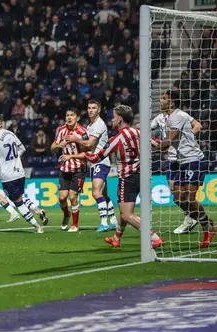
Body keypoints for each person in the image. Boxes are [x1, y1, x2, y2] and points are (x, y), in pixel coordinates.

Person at [62, 105, 163, 249]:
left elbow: (97, 157)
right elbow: (158, 145)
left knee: (127, 214)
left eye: (114, 117)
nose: (112, 119)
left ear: (120, 120)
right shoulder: (138, 132)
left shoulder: (117, 138)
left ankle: (153, 238)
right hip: (143, 175)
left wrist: (82, 154)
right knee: (123, 212)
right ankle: (116, 238)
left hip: (127, 177)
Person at [158, 91, 216, 248]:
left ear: (172, 102)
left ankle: (207, 228)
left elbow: (169, 140)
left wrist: (152, 145)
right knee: (178, 199)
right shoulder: (166, 118)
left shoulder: (178, 116)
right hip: (179, 162)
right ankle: (205, 221)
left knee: (189, 199)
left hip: (193, 160)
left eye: (163, 98)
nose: (160, 100)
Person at [0, 114, 44, 233]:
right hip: (20, 173)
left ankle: (37, 227)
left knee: (18, 203)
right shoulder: (11, 133)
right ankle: (37, 210)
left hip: (8, 177)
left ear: (1, 124)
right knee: (20, 197)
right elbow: (22, 149)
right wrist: (14, 159)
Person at [63, 100, 118, 232]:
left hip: (100, 162)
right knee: (104, 194)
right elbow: (86, 147)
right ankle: (114, 221)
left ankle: (104, 222)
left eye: (94, 108)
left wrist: (76, 139)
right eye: (89, 108)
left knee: (96, 192)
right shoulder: (90, 126)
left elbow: (89, 144)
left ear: (99, 110)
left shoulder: (98, 125)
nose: (91, 110)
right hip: (94, 162)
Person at [148, 109, 196, 234]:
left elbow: (198, 126)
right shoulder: (159, 118)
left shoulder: (181, 115)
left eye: (164, 98)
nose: (160, 102)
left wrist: (188, 138)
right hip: (171, 159)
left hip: (183, 158)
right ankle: (190, 217)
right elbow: (147, 128)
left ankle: (189, 219)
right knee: (175, 192)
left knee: (185, 193)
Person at [51, 108, 87, 232]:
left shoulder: (82, 132)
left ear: (77, 118)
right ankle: (66, 214)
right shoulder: (61, 130)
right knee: (62, 198)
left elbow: (87, 154)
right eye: (67, 115)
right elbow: (52, 148)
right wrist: (58, 145)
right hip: (65, 168)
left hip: (79, 168)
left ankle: (75, 224)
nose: (69, 118)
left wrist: (71, 155)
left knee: (73, 197)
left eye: (72, 115)